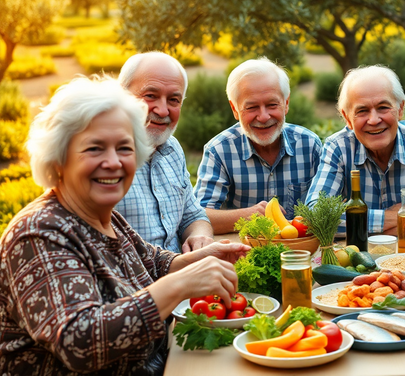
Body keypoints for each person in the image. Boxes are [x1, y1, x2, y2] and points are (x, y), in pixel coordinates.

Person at [0, 77, 249, 375]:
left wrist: (200, 259)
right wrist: (180, 284)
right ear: (57, 160)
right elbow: (78, 342)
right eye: (94, 149)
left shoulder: (105, 217)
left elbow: (152, 263)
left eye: (124, 148)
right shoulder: (39, 233)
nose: (113, 162)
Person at [306, 65, 405, 234]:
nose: (374, 120)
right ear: (347, 118)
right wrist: (393, 218)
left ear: (400, 109)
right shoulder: (338, 148)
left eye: (383, 107)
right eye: (362, 111)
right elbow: (316, 215)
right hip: (354, 256)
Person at [194, 58, 322, 233]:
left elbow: (330, 207)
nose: (263, 117)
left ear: (286, 103)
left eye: (271, 105)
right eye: (252, 107)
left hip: (300, 253)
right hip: (244, 252)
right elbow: (198, 217)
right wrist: (247, 216)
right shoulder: (219, 150)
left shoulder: (309, 145)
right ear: (234, 109)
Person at [115, 52, 214, 253]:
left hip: (182, 274)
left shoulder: (173, 149)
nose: (162, 110)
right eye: (150, 95)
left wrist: (199, 236)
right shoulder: (105, 160)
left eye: (173, 100)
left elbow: (193, 215)